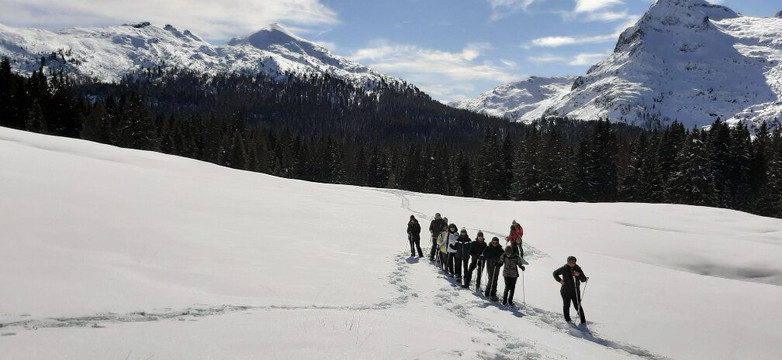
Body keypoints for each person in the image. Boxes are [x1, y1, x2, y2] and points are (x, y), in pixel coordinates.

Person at [553, 256, 588, 324]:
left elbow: (583, 279)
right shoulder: (564, 268)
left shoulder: (578, 268)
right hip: (565, 290)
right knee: (566, 305)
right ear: (567, 262)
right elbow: (555, 273)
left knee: (577, 305)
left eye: (573, 262)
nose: (572, 264)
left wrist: (579, 274)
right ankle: (567, 320)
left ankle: (583, 321)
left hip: (575, 291)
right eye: (570, 262)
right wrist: (560, 280)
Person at [482, 237, 504, 301]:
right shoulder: (488, 248)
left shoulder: (500, 249)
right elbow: (484, 254)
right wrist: (484, 257)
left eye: (496, 243)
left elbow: (503, 258)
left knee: (495, 279)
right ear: (491, 242)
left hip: (497, 266)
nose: (494, 244)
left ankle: (493, 294)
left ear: (498, 242)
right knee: (491, 279)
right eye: (493, 242)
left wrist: (500, 263)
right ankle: (487, 292)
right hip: (490, 265)